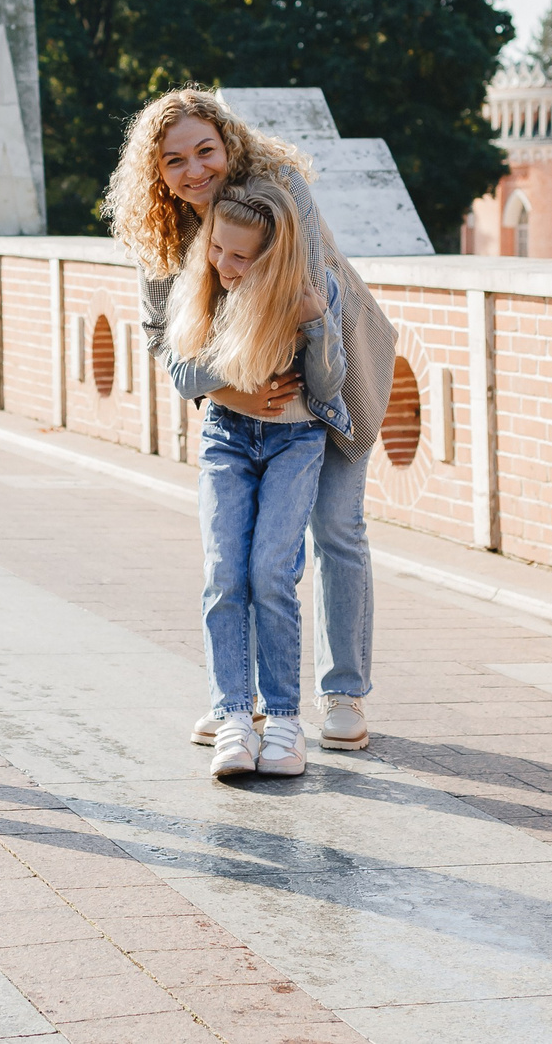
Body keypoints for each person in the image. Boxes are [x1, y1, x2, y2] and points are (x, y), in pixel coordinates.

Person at [105, 88, 396, 751]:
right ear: (157, 173)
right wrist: (234, 396)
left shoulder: (278, 192)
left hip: (330, 372)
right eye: (174, 160)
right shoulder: (163, 236)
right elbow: (164, 340)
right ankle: (245, 700)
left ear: (229, 144)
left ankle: (343, 691)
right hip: (243, 398)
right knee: (249, 559)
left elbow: (304, 298)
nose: (194, 169)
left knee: (337, 526)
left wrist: (260, 381)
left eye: (205, 150)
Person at [164, 187, 348, 778]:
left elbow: (327, 386)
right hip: (227, 437)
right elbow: (183, 372)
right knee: (224, 572)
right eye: (217, 248)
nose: (224, 264)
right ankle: (234, 718)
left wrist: (313, 323)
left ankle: (285, 721)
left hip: (296, 441)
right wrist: (241, 374)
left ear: (273, 258)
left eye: (242, 257)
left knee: (271, 571)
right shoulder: (205, 287)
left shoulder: (314, 290)